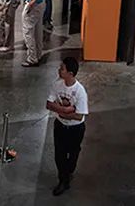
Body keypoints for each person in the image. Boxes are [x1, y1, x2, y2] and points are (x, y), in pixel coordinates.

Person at [46, 57, 89, 197]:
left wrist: (60, 111)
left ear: (70, 73)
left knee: (73, 153)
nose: (59, 70)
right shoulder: (57, 85)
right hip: (60, 126)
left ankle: (69, 171)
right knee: (59, 155)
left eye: (62, 68)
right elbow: (48, 104)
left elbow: (79, 115)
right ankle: (63, 181)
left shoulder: (80, 91)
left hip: (75, 129)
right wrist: (65, 111)